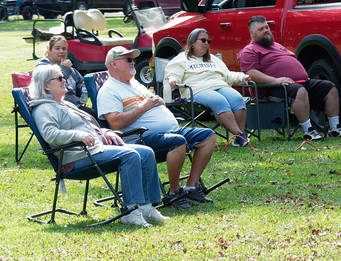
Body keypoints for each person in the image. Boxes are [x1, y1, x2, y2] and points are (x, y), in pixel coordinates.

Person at [29, 64, 166, 227]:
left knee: (146, 152)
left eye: (63, 77)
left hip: (94, 149)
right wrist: (78, 135)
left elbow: (87, 127)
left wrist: (105, 132)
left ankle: (147, 208)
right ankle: (130, 211)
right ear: (46, 85)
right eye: (59, 78)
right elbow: (50, 134)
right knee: (130, 155)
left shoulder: (64, 104)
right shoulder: (44, 108)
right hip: (76, 157)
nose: (64, 80)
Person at [97, 46, 217, 209]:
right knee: (178, 141)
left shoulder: (134, 84)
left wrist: (158, 102)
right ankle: (174, 192)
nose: (134, 63)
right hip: (139, 138)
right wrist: (144, 107)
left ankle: (190, 187)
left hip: (168, 131)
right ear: (114, 64)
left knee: (208, 136)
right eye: (128, 60)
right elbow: (116, 123)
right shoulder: (109, 90)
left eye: (133, 59)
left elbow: (147, 103)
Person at [238, 15, 341, 141]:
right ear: (251, 33)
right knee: (299, 90)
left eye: (267, 27)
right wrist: (276, 80)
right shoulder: (249, 51)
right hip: (273, 88)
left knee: (329, 87)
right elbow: (251, 73)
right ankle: (309, 131)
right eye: (261, 29)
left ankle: (335, 128)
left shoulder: (277, 45)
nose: (266, 30)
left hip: (299, 83)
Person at [164, 28, 250, 147]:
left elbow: (227, 74)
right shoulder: (182, 58)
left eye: (208, 41)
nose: (206, 43)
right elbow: (172, 74)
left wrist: (241, 77)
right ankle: (241, 136)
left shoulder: (213, 59)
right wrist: (173, 79)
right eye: (203, 40)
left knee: (238, 99)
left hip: (220, 85)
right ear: (192, 42)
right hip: (198, 89)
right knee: (219, 101)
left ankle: (238, 138)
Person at [35, 35, 96, 119]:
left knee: (98, 113)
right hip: (56, 109)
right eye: (57, 48)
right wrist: (64, 69)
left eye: (64, 49)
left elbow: (78, 88)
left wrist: (82, 87)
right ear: (49, 50)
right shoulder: (42, 66)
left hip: (74, 107)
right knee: (93, 115)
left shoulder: (69, 68)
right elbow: (49, 83)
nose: (61, 51)